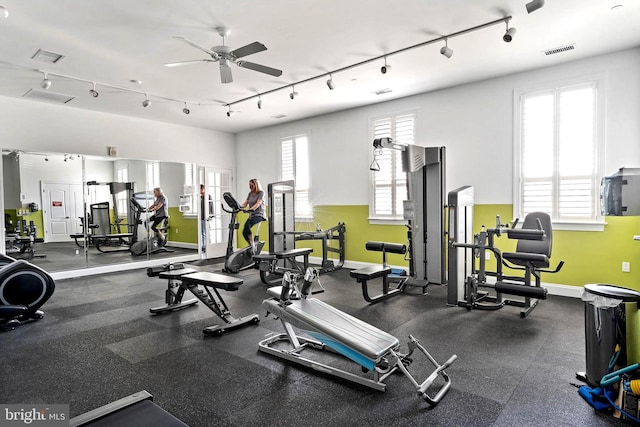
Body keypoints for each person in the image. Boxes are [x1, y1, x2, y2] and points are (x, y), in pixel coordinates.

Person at [240, 178, 266, 253]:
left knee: (248, 225)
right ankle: (251, 245)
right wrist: (238, 207)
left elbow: (258, 203)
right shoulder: (250, 194)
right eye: (249, 186)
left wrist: (250, 209)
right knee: (245, 231)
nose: (250, 187)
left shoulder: (261, 193)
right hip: (252, 215)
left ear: (256, 185)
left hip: (259, 215)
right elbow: (245, 203)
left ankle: (252, 245)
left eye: (251, 185)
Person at [200, 184, 213, 252]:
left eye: (200, 189)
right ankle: (203, 246)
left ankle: (209, 245)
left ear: (203, 189)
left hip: (207, 217)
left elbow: (211, 206)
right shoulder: (200, 197)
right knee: (202, 233)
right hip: (201, 217)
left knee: (207, 232)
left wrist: (211, 215)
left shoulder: (208, 196)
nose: (199, 191)